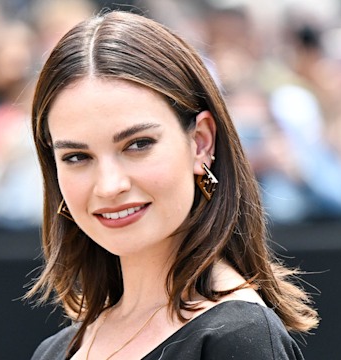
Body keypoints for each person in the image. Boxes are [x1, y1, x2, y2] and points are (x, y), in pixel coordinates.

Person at [24, 11, 319, 360]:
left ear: (202, 143)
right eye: (77, 157)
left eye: (137, 145)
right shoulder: (55, 351)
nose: (108, 185)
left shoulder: (239, 339)